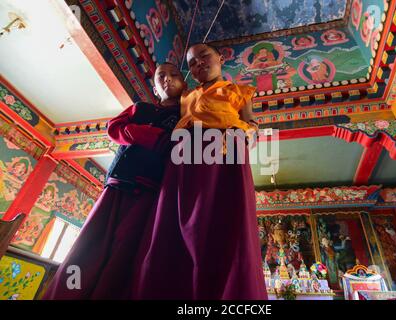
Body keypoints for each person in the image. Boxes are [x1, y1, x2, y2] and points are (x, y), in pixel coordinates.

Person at [131, 43, 267, 300]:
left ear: (221, 58)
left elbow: (252, 125)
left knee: (225, 221)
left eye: (204, 56)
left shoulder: (239, 91)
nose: (199, 63)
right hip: (184, 156)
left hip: (225, 151)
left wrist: (244, 135)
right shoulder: (185, 97)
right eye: (192, 63)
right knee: (179, 222)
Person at [42, 62, 186, 299]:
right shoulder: (140, 109)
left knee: (125, 253)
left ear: (185, 84)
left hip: (151, 194)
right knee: (88, 246)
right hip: (117, 184)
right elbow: (114, 128)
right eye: (161, 76)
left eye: (174, 75)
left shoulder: (185, 117)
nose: (168, 79)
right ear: (155, 86)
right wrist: (155, 137)